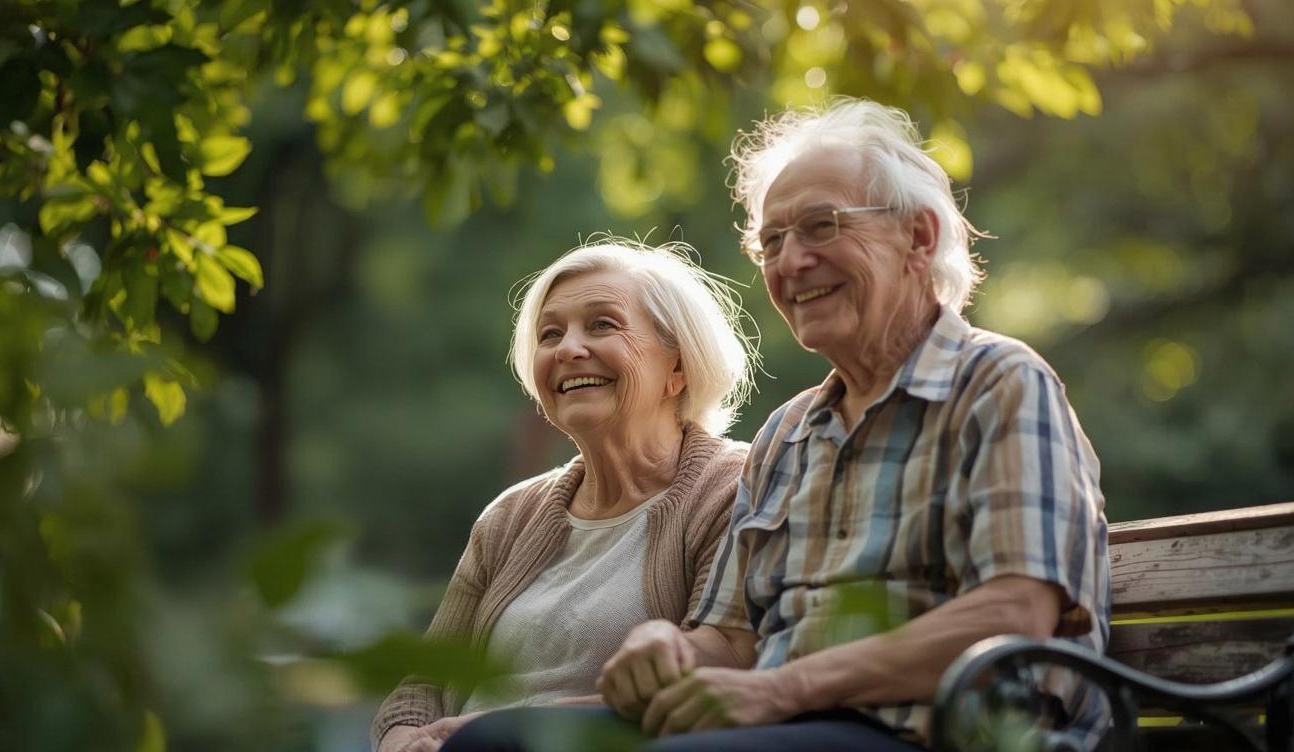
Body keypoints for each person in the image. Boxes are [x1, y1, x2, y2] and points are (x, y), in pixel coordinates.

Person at [443, 99, 1109, 751]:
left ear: (919, 237)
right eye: (772, 242)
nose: (790, 262)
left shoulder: (999, 385)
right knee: (494, 742)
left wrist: (785, 688)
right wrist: (669, 647)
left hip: (942, 729)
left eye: (821, 227)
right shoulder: (788, 435)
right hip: (787, 726)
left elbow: (1017, 613)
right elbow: (728, 637)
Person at [372, 239, 756, 752]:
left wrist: (493, 730)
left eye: (602, 324)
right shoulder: (509, 516)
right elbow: (417, 692)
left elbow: (717, 673)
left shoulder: (733, 486)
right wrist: (404, 743)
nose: (567, 349)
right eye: (550, 334)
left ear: (678, 368)